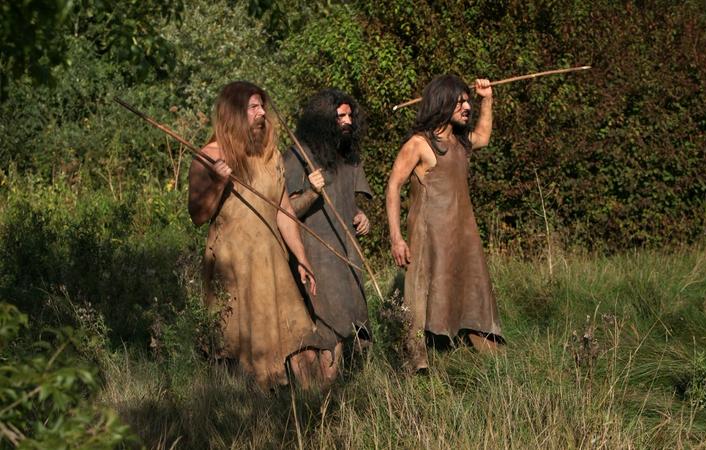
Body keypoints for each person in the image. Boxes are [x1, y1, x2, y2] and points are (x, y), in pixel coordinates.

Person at [188, 81, 335, 389]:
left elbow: (284, 212)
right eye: (253, 107)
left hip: (272, 263)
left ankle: (310, 408)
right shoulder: (209, 155)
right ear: (234, 114)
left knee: (298, 336)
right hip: (233, 266)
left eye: (262, 106)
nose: (261, 113)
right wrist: (217, 182)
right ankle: (243, 411)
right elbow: (198, 216)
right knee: (238, 348)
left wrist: (302, 260)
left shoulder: (270, 156)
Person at [385, 74, 504, 372]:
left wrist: (486, 99)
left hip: (463, 234)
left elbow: (485, 137)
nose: (466, 106)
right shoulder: (419, 144)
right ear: (442, 102)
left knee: (472, 286)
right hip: (430, 236)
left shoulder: (460, 143)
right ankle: (415, 364)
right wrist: (396, 238)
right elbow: (393, 186)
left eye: (467, 100)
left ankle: (486, 348)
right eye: (460, 101)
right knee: (420, 295)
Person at [283, 89, 373, 377]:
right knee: (329, 325)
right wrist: (311, 192)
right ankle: (324, 400)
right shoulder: (299, 156)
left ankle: (343, 397)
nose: (347, 121)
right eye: (340, 116)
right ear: (323, 121)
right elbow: (286, 211)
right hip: (317, 252)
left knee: (354, 318)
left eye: (350, 115)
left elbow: (351, 203)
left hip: (349, 253)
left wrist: (361, 217)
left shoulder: (350, 157)